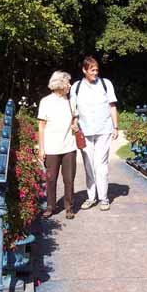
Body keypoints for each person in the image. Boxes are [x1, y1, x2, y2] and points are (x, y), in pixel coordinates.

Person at [71, 55, 118, 211]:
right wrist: (74, 124)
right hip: (85, 131)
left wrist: (116, 127)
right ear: (84, 70)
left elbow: (112, 106)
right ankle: (91, 197)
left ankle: (104, 198)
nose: (95, 73)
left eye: (96, 70)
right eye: (92, 70)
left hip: (104, 129)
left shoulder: (106, 84)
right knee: (89, 165)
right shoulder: (76, 87)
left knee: (101, 164)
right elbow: (73, 110)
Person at [37, 71, 78, 220]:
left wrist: (75, 125)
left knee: (69, 179)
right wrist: (41, 148)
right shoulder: (45, 102)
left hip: (69, 147)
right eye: (67, 83)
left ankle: (69, 207)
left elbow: (75, 118)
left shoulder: (71, 101)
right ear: (59, 84)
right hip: (51, 148)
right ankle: (50, 206)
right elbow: (41, 126)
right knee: (51, 179)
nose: (70, 85)